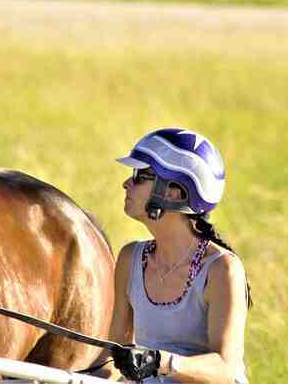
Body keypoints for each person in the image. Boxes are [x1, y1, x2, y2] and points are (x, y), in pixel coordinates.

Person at [95, 128, 251, 383]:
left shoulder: (222, 269)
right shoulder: (129, 258)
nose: (126, 183)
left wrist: (161, 362)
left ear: (173, 192)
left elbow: (226, 369)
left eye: (140, 176)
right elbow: (111, 359)